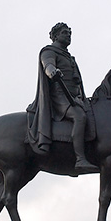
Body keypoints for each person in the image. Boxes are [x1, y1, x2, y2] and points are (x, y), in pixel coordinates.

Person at [26, 22, 99, 174]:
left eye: (69, 33)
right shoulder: (48, 51)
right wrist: (52, 71)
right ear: (56, 35)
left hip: (74, 97)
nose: (68, 36)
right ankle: (80, 159)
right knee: (79, 117)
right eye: (65, 33)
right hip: (59, 98)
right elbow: (48, 65)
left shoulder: (70, 58)